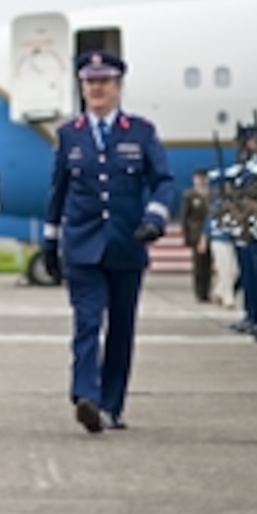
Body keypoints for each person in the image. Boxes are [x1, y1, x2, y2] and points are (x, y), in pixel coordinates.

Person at [41, 50, 174, 433]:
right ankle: (86, 395)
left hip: (126, 244)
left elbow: (163, 181)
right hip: (82, 245)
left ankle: (111, 405)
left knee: (120, 329)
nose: (96, 88)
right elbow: (58, 190)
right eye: (90, 82)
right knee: (86, 321)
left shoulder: (141, 132)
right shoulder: (70, 134)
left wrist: (155, 218)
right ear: (82, 87)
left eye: (104, 81)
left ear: (117, 86)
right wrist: (51, 241)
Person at [181, 168, 212, 302]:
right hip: (196, 232)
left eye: (203, 178)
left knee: (209, 264)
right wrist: (187, 236)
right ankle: (200, 293)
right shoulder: (189, 195)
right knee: (199, 264)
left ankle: (207, 291)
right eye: (198, 178)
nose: (201, 181)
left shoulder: (213, 194)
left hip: (212, 232)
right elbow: (185, 217)